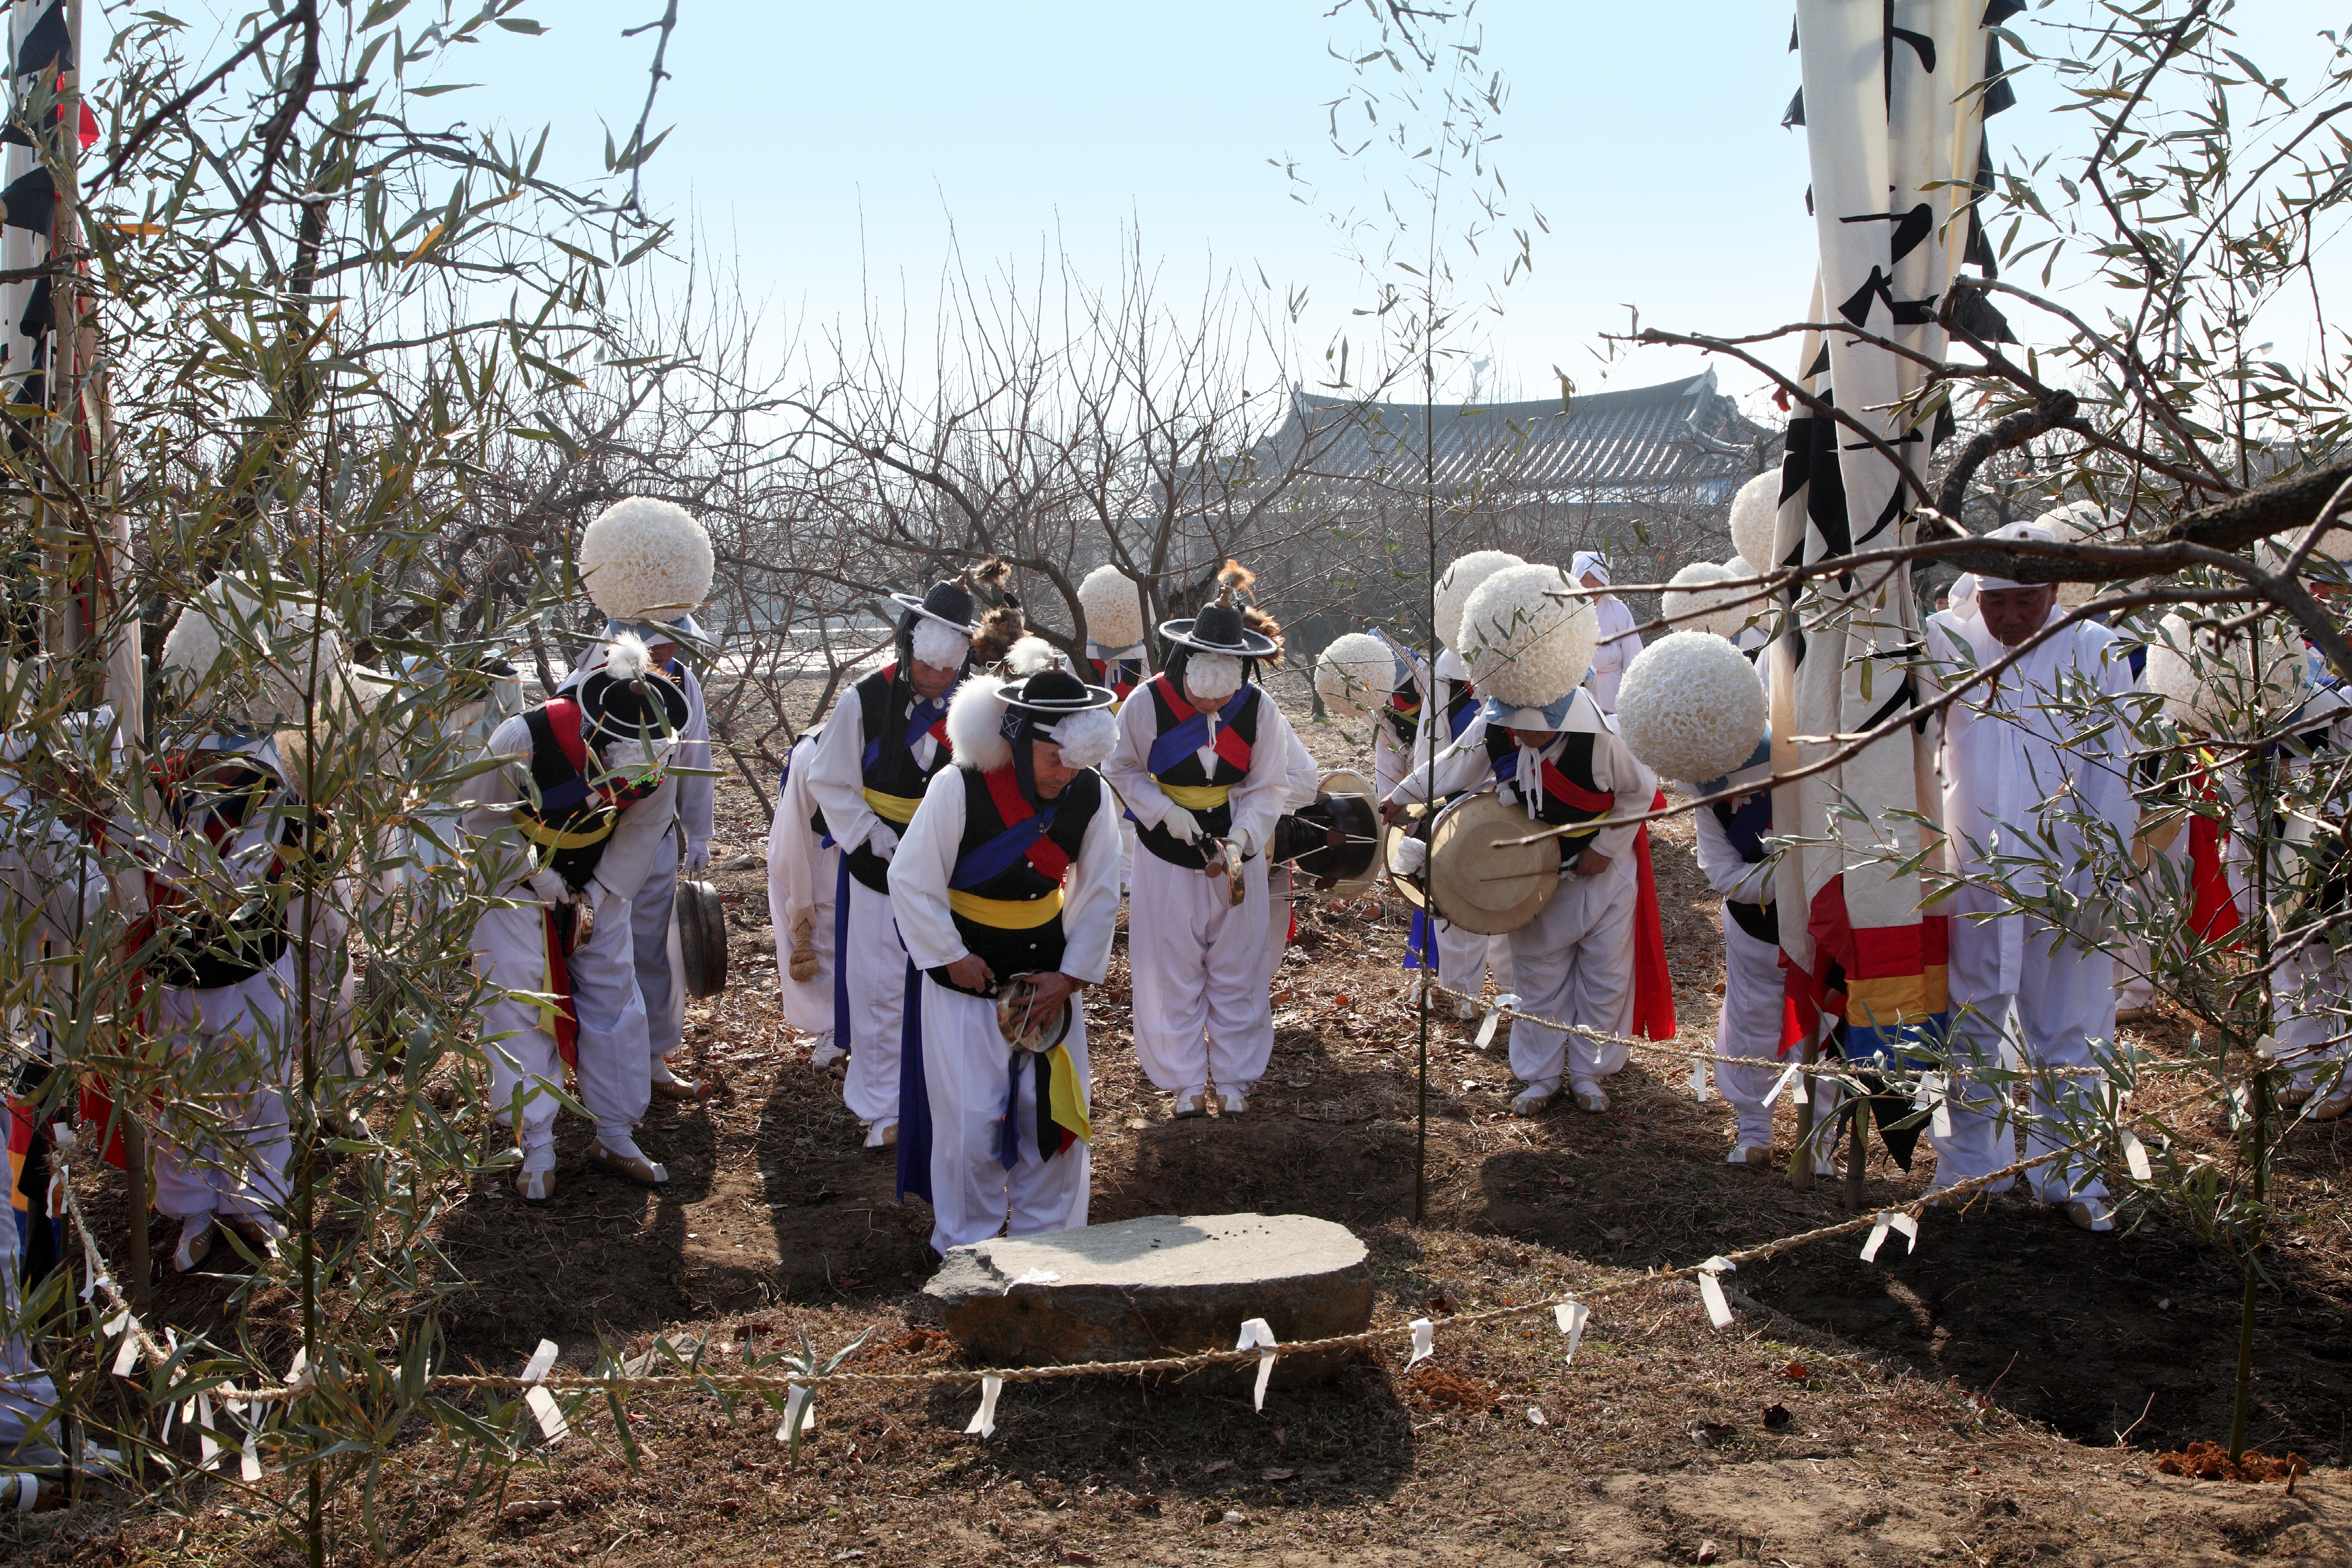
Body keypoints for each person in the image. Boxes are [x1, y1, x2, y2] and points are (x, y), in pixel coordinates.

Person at [1925, 523, 2139, 1231]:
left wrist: (2100, 876)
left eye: (2026, 600)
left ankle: (2068, 1172)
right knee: (1971, 1019)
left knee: (2067, 1024)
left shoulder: (2094, 650)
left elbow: (2113, 768)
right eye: (1997, 602)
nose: (2011, 616)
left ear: (2053, 590)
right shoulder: (1948, 643)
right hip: (1974, 872)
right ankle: (1966, 1167)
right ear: (1976, 595)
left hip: (2065, 875)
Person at [889, 666, 1122, 1252]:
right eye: (1051, 759)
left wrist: (1069, 978)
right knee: (969, 1127)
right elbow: (912, 879)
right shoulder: (959, 786)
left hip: (1049, 987)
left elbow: (1099, 891)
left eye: (1073, 760)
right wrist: (949, 958)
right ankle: (966, 1248)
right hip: (965, 985)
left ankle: (1054, 1247)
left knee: (1053, 1124)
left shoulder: (1090, 794)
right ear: (1018, 740)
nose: (1063, 774)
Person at [460, 635, 691, 1199]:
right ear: (593, 732)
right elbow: (479, 816)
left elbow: (640, 829)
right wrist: (534, 873)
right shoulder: (523, 737)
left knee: (615, 998)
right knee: (518, 1004)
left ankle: (614, 1131)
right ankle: (536, 1142)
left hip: (600, 879)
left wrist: (600, 894)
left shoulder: (661, 754)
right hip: (513, 882)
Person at [805, 564, 1021, 1148]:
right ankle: (881, 1109)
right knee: (879, 989)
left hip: (955, 864)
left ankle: (948, 1099)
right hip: (878, 860)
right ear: (907, 648)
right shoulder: (864, 699)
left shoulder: (981, 706)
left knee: (949, 981)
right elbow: (830, 782)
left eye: (946, 669)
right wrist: (872, 836)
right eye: (925, 665)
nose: (933, 678)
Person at [1389, 674, 1662, 1116]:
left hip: (1604, 877)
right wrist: (1401, 798)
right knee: (1537, 977)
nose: (1522, 734)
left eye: (1533, 726)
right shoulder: (1498, 727)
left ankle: (1590, 1073)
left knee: (1605, 975)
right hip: (1531, 879)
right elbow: (1453, 763)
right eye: (1516, 724)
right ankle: (1541, 1075)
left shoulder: (1605, 740)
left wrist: (1604, 849)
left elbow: (1641, 793)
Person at [147, 578, 321, 1270]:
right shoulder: (163, 757)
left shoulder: (293, 757)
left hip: (259, 952)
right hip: (180, 954)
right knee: (188, 1086)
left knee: (264, 1085)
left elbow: (314, 847)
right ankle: (190, 1210)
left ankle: (255, 1206)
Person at [1104, 561, 1304, 1118]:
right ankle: (1185, 1080)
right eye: (1201, 700)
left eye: (1221, 700)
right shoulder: (1146, 702)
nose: (1211, 709)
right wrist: (1162, 812)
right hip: (1165, 851)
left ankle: (1236, 1077)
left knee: (1238, 965)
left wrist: (1243, 836)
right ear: (1185, 670)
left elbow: (1269, 784)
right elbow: (1119, 769)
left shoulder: (1258, 709)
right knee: (1171, 967)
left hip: (1233, 846)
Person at [565, 497, 719, 1104]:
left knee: (656, 953)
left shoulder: (683, 683)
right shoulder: (583, 683)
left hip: (656, 845)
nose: (670, 656)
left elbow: (696, 759)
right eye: (661, 647)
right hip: (595, 852)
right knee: (602, 962)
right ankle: (602, 1072)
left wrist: (699, 833)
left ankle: (653, 1058)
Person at [767, 728, 842, 1069]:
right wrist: (800, 898)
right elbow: (794, 827)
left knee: (839, 937)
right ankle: (831, 1028)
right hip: (806, 849)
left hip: (844, 847)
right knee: (818, 935)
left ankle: (843, 1023)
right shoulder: (812, 754)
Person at [1575, 550, 1643, 713]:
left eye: (1595, 578)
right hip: (1576, 689)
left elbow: (1632, 654)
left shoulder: (1618, 610)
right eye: (1584, 578)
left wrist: (1633, 692)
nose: (1589, 584)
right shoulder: (1564, 610)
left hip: (1611, 686)